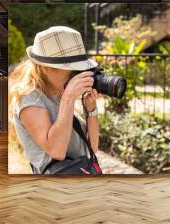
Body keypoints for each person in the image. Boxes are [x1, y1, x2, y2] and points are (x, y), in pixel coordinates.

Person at [9, 26, 100, 174]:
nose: (75, 74)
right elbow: (56, 151)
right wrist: (68, 98)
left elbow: (92, 147)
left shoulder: (57, 91)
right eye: (71, 68)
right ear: (45, 68)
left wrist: (91, 110)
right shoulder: (29, 97)